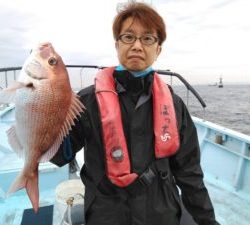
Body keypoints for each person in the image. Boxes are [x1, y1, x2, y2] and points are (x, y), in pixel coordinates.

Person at [51, 2, 220, 225]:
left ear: (158, 49)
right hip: (106, 214)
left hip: (162, 214)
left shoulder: (175, 105)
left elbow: (190, 174)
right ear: (117, 45)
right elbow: (58, 154)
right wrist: (45, 113)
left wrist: (208, 221)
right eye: (128, 37)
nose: (137, 46)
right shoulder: (87, 101)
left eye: (147, 38)